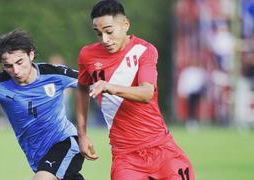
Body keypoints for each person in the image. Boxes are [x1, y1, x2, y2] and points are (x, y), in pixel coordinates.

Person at [76, 1, 195, 180]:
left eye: (109, 31)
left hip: (163, 150)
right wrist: (82, 134)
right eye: (98, 34)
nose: (104, 39)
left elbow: (147, 93)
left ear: (125, 24)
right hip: (126, 158)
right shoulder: (87, 55)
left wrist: (110, 86)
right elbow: (82, 88)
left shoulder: (144, 50)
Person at [0, 30, 84, 180]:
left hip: (65, 142)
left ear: (31, 55)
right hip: (37, 158)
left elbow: (91, 83)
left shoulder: (54, 74)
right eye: (8, 66)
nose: (15, 70)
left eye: (20, 62)